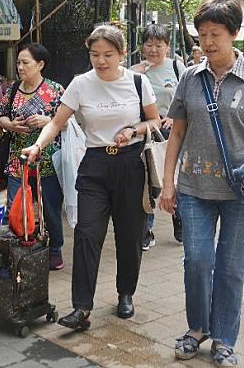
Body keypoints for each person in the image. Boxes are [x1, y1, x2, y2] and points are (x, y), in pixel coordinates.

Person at [158, 0, 244, 367]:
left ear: (233, 34)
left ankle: (225, 339)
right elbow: (177, 134)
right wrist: (167, 183)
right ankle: (197, 328)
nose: (208, 42)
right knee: (197, 261)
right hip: (194, 189)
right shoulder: (190, 77)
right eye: (202, 34)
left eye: (216, 33)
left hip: (242, 193)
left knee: (230, 267)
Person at [22, 26, 160, 328]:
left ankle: (126, 294)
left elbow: (154, 119)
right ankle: (82, 308)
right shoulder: (80, 84)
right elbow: (57, 122)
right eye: (95, 54)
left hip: (131, 164)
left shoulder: (138, 82)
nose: (101, 61)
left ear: (122, 54)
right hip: (94, 164)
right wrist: (37, 145)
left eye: (108, 55)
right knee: (86, 235)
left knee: (129, 234)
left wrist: (133, 130)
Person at [0, 43, 65, 270]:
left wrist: (48, 121)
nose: (20, 67)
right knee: (16, 207)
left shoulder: (56, 90)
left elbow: (71, 123)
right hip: (18, 161)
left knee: (50, 208)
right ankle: (18, 248)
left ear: (40, 64)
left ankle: (54, 249)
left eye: (25, 62)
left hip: (48, 161)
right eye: (18, 62)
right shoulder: (13, 90)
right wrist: (11, 125)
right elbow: (1, 117)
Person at [131, 24, 185, 249]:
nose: (153, 49)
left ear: (167, 47)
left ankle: (179, 219)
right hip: (147, 134)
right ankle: (146, 231)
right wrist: (135, 74)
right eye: (149, 44)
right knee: (147, 183)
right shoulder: (134, 71)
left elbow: (187, 97)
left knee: (174, 179)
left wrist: (175, 117)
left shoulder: (176, 67)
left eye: (159, 45)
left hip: (173, 132)